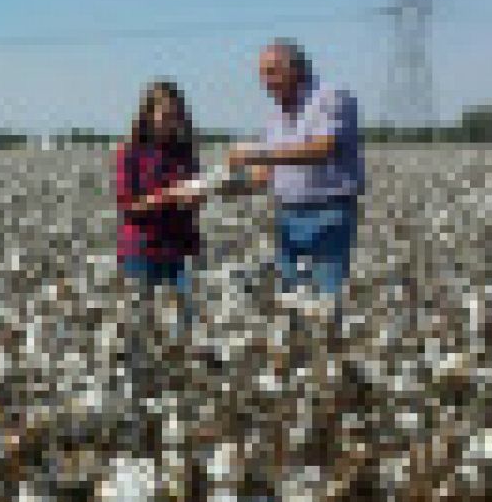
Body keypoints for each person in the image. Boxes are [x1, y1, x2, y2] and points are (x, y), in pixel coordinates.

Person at [228, 39, 364, 331]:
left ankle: (327, 360)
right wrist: (220, 188)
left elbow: (323, 148)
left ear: (298, 69)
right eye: (263, 75)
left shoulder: (331, 97)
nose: (266, 83)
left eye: (273, 72)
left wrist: (256, 153)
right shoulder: (275, 117)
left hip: (329, 213)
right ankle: (300, 356)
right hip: (288, 217)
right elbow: (265, 174)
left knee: (326, 302)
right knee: (292, 301)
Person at [114, 79, 205, 329]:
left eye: (176, 116)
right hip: (142, 248)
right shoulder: (131, 152)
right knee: (142, 322)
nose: (170, 122)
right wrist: (167, 197)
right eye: (165, 115)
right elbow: (126, 204)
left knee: (183, 321)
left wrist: (195, 198)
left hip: (180, 247)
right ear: (148, 115)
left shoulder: (185, 153)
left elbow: (193, 200)